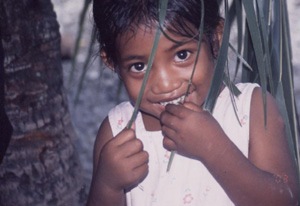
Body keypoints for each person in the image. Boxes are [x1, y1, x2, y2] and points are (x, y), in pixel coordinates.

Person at [87, 0, 299, 205]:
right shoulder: (118, 132)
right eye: (139, 67)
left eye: (182, 55)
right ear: (112, 62)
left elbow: (285, 199)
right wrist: (107, 186)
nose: (165, 84)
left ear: (215, 38)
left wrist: (214, 149)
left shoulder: (252, 110)